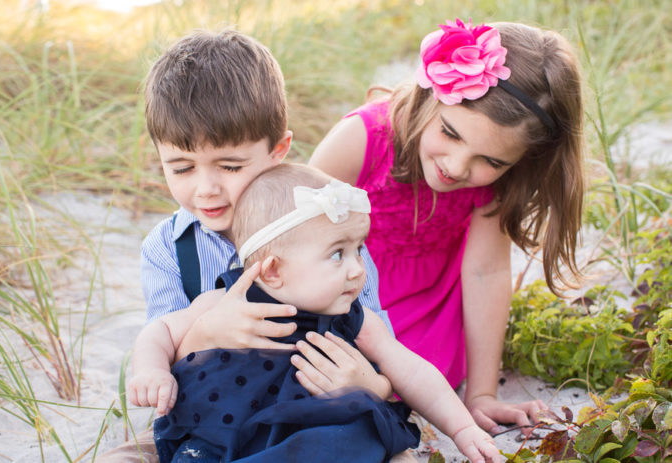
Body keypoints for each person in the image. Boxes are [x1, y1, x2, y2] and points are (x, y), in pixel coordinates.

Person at [98, 29, 396, 462]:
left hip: (320, 418)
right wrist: (206, 331)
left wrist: (371, 384)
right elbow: (161, 349)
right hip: (211, 425)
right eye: (182, 168)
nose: (207, 189)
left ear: (279, 150)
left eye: (230, 165)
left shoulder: (329, 234)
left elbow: (382, 349)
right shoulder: (168, 247)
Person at [309, 19, 585, 435]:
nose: (457, 167)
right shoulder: (362, 138)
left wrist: (482, 394)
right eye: (450, 133)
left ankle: (381, 388)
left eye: (491, 161)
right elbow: (291, 227)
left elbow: (485, 273)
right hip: (338, 294)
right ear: (430, 96)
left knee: (419, 372)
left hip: (426, 312)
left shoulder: (498, 185)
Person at [128, 163, 501, 463]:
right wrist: (150, 369)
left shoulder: (353, 318)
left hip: (328, 434)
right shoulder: (228, 301)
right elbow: (161, 330)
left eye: (358, 249)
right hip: (226, 434)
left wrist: (462, 429)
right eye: (338, 254)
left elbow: (413, 371)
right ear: (273, 270)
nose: (359, 269)